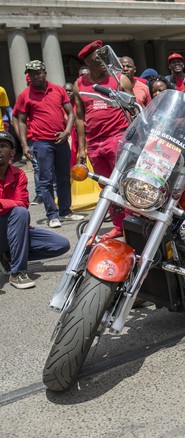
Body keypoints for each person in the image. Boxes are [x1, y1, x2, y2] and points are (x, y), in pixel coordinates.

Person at [74, 39, 132, 239]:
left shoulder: (119, 79)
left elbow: (134, 110)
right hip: (95, 143)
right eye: (95, 58)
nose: (100, 60)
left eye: (102, 56)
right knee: (106, 186)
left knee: (124, 184)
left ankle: (133, 223)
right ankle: (119, 225)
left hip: (118, 137)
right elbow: (79, 118)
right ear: (87, 62)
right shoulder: (79, 84)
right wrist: (82, 150)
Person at [14, 60, 83, 228]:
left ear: (44, 73)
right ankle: (52, 215)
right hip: (41, 142)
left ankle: (65, 211)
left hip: (60, 140)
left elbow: (70, 113)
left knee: (64, 177)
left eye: (37, 73)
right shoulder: (25, 95)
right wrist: (24, 145)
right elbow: (21, 121)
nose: (35, 77)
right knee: (46, 180)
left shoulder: (58, 90)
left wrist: (67, 131)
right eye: (31, 74)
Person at [0, 132, 70, 289]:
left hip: (14, 229)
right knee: (19, 212)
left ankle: (9, 256)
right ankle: (17, 273)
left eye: (3, 146)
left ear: (12, 153)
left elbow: (22, 203)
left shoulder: (19, 175)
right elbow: (18, 206)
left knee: (60, 244)